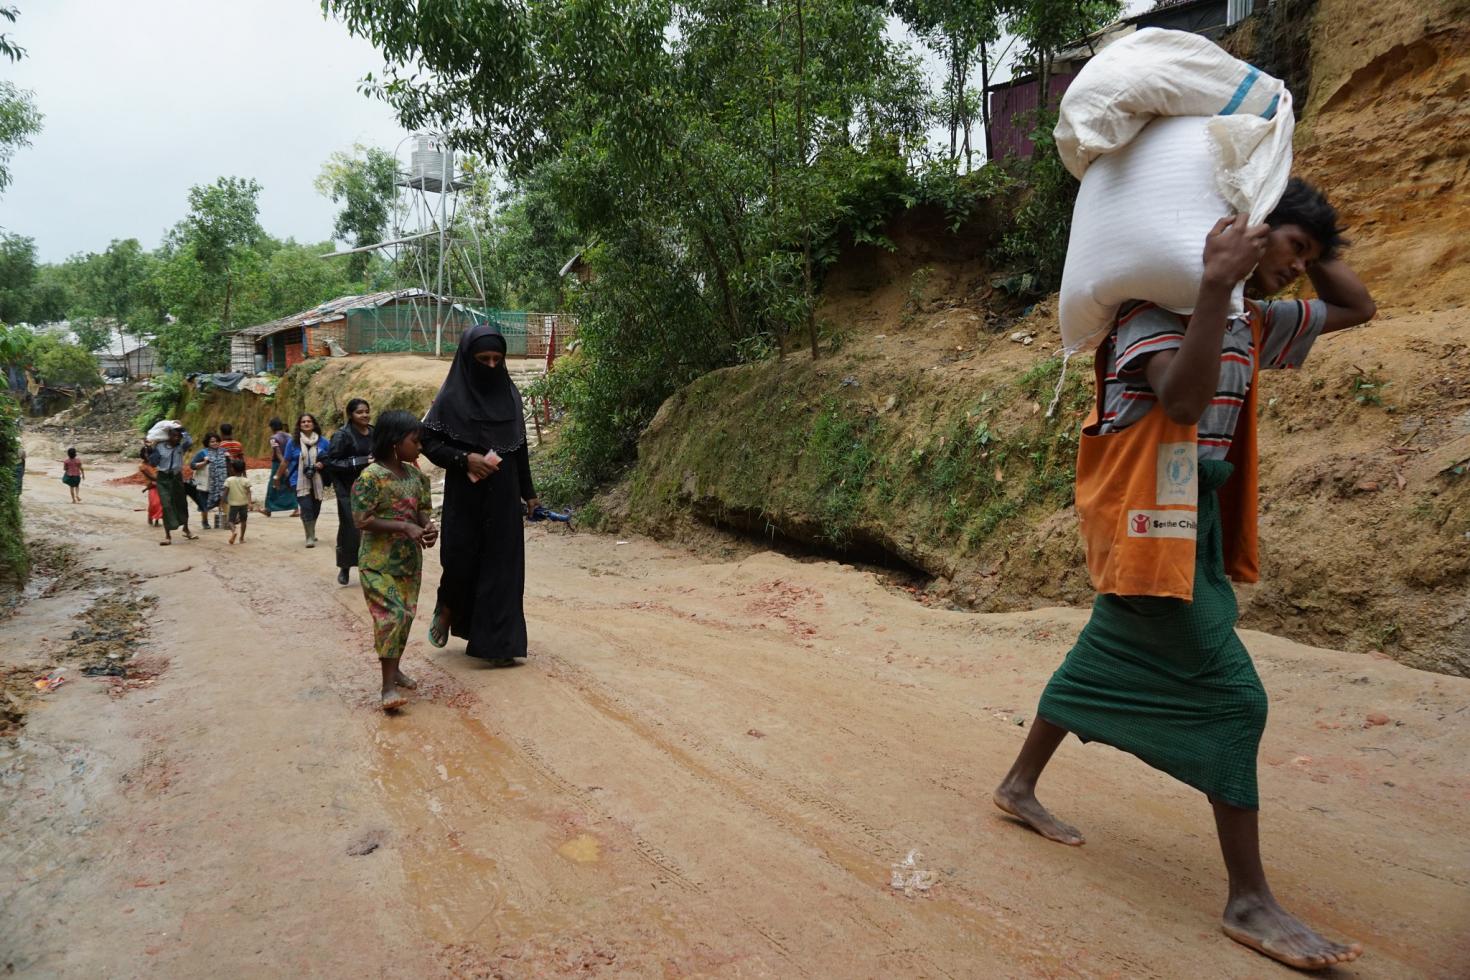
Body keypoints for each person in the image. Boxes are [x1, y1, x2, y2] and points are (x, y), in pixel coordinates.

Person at [993, 179, 1377, 971]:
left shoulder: (1252, 320)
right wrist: (1211, 281)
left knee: (1110, 648)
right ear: (1247, 235)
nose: (1298, 271)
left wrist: (1317, 243)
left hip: (1189, 517)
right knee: (1235, 695)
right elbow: (1180, 400)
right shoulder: (1151, 315)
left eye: (1308, 258)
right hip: (1146, 515)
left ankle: (1018, 784)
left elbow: (1358, 309)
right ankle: (1248, 900)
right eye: (1293, 251)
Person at [420, 324, 539, 664]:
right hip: (466, 494)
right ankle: (447, 604)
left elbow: (519, 448)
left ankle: (498, 645)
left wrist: (529, 494)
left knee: (503, 568)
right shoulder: (450, 398)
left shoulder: (510, 395)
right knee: (461, 562)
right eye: (482, 359)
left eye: (496, 359)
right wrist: (463, 458)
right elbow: (428, 441)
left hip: (504, 495)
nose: (490, 366)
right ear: (467, 358)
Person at [352, 409, 437, 710]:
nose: (420, 447)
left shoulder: (416, 476)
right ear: (394, 441)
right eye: (415, 441)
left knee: (405, 616)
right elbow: (362, 520)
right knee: (392, 617)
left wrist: (427, 527)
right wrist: (403, 526)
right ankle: (387, 687)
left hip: (408, 562)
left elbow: (421, 509)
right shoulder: (371, 478)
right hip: (378, 563)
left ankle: (396, 669)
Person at [323, 398, 374, 585]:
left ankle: (371, 568)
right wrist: (360, 461)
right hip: (348, 489)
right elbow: (332, 462)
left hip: (373, 488)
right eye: (360, 412)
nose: (365, 415)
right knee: (350, 528)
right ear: (351, 415)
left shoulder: (374, 432)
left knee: (374, 527)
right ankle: (345, 567)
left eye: (367, 411)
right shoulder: (342, 436)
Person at [279, 413, 328, 547]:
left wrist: (322, 464)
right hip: (298, 480)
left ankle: (311, 530)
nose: (306, 424)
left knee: (316, 508)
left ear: (314, 424)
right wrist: (277, 477)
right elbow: (285, 461)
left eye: (309, 421)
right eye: (303, 422)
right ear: (299, 425)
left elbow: (330, 458)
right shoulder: (293, 442)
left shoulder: (323, 441)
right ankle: (309, 537)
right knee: (306, 507)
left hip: (318, 480)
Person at [150, 424, 196, 545]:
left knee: (182, 503)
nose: (176, 438)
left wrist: (183, 430)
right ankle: (167, 536)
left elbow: (189, 441)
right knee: (166, 505)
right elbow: (153, 463)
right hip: (163, 479)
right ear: (169, 436)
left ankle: (186, 529)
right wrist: (150, 451)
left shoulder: (181, 447)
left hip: (177, 478)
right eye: (174, 436)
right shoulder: (159, 447)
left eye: (178, 436)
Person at [190, 433, 229, 530]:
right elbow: (192, 465)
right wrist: (204, 462)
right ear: (207, 443)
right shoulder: (203, 453)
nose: (215, 443)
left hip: (221, 482)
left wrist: (228, 458)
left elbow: (229, 465)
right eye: (212, 441)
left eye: (216, 441)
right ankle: (205, 521)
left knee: (223, 500)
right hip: (206, 483)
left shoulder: (224, 452)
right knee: (204, 502)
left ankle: (226, 522)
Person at [264, 417, 299, 517]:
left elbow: (278, 452)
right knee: (289, 485)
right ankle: (296, 508)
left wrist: (283, 465)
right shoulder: (289, 436)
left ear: (272, 427)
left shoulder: (273, 438)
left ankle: (268, 509)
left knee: (273, 485)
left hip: (278, 464)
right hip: (291, 462)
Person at [225, 458, 252, 544]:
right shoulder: (246, 480)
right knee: (243, 521)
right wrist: (250, 503)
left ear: (232, 469)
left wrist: (222, 501)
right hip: (244, 504)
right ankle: (242, 538)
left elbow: (225, 492)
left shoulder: (229, 480)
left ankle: (234, 531)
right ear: (243, 469)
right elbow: (248, 492)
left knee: (230, 521)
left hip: (233, 504)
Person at [137, 445, 163, 527]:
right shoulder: (142, 466)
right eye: (145, 454)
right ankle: (151, 518)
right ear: (142, 454)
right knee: (154, 504)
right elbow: (151, 477)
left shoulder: (155, 463)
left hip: (158, 485)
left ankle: (156, 521)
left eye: (149, 453)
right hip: (151, 486)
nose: (147, 455)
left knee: (160, 503)